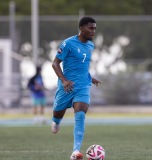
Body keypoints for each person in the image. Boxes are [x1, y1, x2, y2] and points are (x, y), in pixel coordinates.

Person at [51, 17, 101, 160]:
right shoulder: (68, 44)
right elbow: (55, 64)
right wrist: (64, 80)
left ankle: (75, 151)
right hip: (67, 86)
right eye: (90, 28)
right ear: (81, 28)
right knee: (57, 115)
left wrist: (90, 78)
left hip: (83, 86)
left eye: (95, 28)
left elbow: (83, 65)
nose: (93, 31)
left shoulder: (91, 45)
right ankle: (56, 121)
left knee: (80, 115)